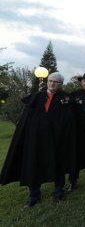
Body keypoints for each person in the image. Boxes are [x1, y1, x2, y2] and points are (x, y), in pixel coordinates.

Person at [0, 72, 77, 207]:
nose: (53, 83)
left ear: (61, 84)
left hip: (56, 141)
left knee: (58, 165)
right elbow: (26, 119)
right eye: (51, 81)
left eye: (56, 82)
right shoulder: (36, 97)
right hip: (36, 140)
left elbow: (69, 121)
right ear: (47, 82)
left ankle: (58, 193)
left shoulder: (66, 99)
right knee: (33, 165)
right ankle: (33, 196)